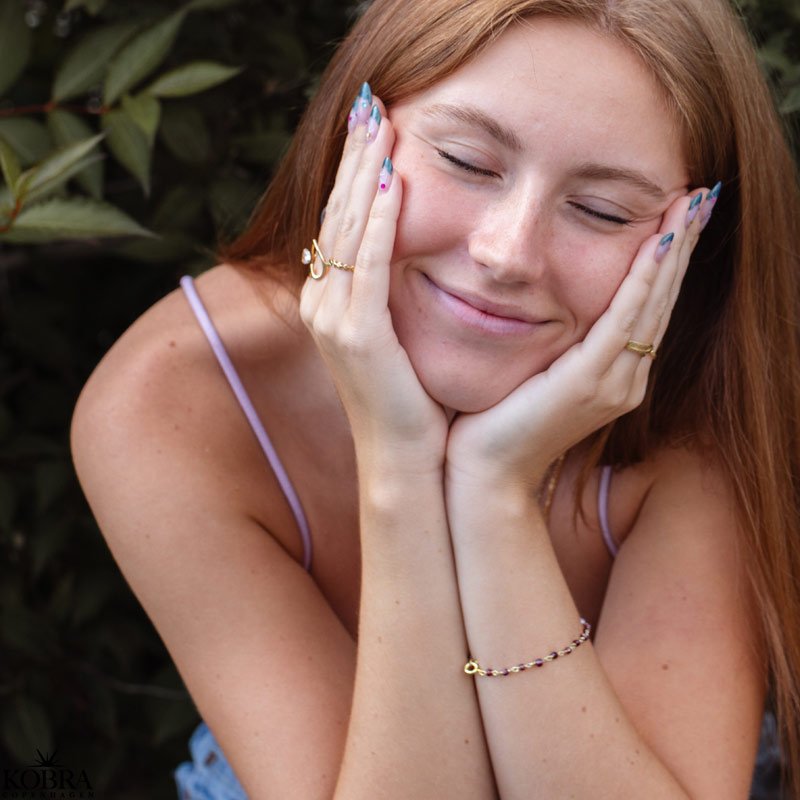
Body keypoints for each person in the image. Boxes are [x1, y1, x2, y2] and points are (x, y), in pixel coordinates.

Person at [70, 0, 800, 797]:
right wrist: (400, 461)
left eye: (600, 210)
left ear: (691, 242)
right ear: (358, 134)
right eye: (467, 160)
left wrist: (493, 493)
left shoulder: (702, 406)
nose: (507, 252)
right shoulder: (178, 397)